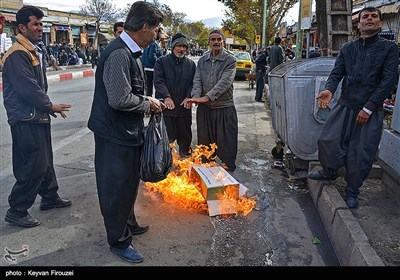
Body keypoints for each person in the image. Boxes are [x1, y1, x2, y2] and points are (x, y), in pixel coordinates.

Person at [87, 1, 165, 263]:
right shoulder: (120, 53)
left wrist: (144, 99)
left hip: (126, 131)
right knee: (116, 187)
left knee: (129, 183)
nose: (156, 36)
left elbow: (128, 91)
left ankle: (127, 222)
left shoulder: (131, 53)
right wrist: (148, 103)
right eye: (155, 30)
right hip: (114, 133)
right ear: (144, 27)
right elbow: (120, 99)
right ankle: (118, 240)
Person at [307, 7, 398, 209]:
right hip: (345, 104)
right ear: (359, 24)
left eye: (374, 16)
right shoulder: (348, 48)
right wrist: (329, 90)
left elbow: (389, 80)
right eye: (366, 16)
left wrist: (369, 107)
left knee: (361, 152)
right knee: (328, 140)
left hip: (369, 110)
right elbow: (337, 73)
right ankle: (329, 172)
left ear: (380, 24)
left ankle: (352, 190)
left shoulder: (389, 49)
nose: (370, 19)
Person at [1, 5, 72, 228]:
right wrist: (50, 105)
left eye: (42, 24)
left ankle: (50, 198)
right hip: (25, 117)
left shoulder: (32, 49)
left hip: (36, 115)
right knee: (33, 165)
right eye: (35, 24)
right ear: (22, 27)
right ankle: (17, 209)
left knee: (46, 161)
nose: (40, 28)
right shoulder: (17, 54)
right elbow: (28, 89)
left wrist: (46, 108)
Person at [183, 29, 238, 172]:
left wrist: (206, 97)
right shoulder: (202, 60)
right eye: (213, 40)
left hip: (224, 107)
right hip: (205, 108)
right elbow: (197, 80)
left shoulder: (230, 60)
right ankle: (207, 170)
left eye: (219, 39)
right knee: (205, 143)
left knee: (227, 142)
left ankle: (228, 169)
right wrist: (196, 97)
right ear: (209, 43)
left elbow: (225, 83)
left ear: (223, 42)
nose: (216, 42)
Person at [154, 33, 196, 157]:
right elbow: (158, 81)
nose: (181, 49)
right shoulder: (161, 62)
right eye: (179, 46)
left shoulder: (191, 65)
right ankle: (165, 163)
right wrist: (166, 96)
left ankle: (185, 159)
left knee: (185, 138)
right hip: (168, 108)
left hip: (184, 108)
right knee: (167, 139)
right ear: (173, 47)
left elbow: (194, 83)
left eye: (184, 46)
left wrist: (189, 97)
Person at [141, 27, 163, 96]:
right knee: (158, 87)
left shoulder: (148, 42)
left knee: (148, 89)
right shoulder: (154, 44)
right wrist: (159, 63)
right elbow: (152, 56)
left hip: (146, 68)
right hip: (152, 69)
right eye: (161, 33)